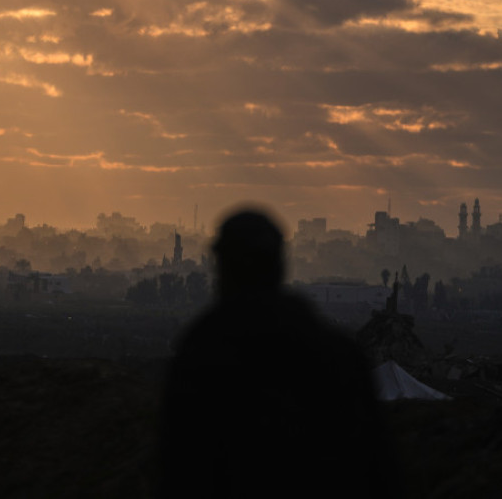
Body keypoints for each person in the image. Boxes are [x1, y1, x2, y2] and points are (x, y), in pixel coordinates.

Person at [157, 206, 398, 497]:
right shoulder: (335, 351)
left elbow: (182, 463)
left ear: (222, 268)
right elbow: (375, 464)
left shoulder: (203, 354)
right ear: (280, 265)